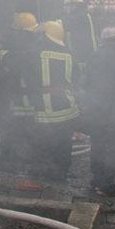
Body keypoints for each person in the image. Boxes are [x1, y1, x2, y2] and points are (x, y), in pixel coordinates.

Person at [83, 27, 115, 196]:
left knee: (97, 144)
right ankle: (108, 186)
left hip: (97, 110)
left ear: (102, 40)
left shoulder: (93, 57)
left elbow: (86, 82)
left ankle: (96, 181)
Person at [29, 20, 80, 181]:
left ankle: (42, 178)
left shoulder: (35, 53)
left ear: (45, 36)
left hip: (46, 108)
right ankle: (60, 176)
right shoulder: (70, 54)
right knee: (64, 145)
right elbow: (77, 79)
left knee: (42, 145)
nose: (37, 38)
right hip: (67, 108)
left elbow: (27, 77)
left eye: (39, 35)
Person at [0, 13, 40, 167]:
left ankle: (10, 161)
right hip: (29, 95)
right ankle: (24, 159)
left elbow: (15, 63)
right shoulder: (36, 42)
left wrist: (1, 53)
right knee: (26, 128)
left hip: (20, 94)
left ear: (20, 30)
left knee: (14, 127)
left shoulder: (24, 43)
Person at [60, 0, 98, 78]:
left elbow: (62, 24)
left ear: (74, 5)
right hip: (87, 58)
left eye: (66, 6)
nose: (65, 8)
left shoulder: (80, 17)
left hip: (83, 60)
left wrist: (46, 26)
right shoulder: (84, 16)